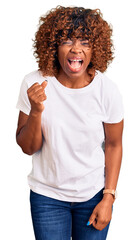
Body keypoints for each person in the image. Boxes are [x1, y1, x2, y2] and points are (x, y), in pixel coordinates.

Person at [16, 6, 124, 240]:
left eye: (85, 41)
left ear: (95, 48)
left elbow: (114, 145)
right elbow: (27, 147)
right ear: (54, 46)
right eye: (67, 40)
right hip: (47, 198)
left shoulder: (107, 90)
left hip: (94, 195)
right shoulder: (34, 82)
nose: (76, 49)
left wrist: (109, 197)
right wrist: (36, 111)